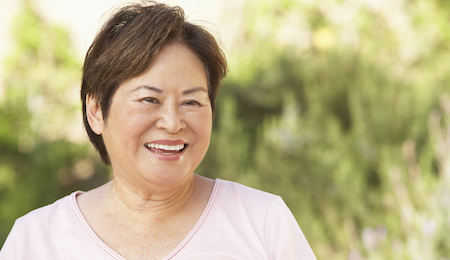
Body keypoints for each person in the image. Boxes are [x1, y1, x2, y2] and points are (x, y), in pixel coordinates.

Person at [0, 1, 316, 259]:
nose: (172, 122)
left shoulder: (262, 222)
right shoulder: (35, 240)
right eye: (150, 99)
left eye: (192, 102)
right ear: (96, 110)